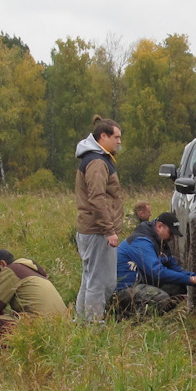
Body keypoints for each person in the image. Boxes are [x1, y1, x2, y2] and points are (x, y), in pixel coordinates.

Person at [73, 117, 125, 321]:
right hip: (97, 230)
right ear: (103, 136)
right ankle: (94, 325)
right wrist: (109, 230)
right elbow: (97, 198)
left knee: (90, 278)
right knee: (100, 281)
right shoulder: (96, 162)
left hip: (93, 229)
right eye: (116, 137)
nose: (119, 142)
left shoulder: (98, 158)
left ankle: (82, 321)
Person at [113, 210, 196, 317]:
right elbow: (156, 271)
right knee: (160, 299)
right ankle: (134, 320)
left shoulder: (160, 242)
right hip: (125, 289)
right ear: (160, 226)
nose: (172, 238)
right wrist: (191, 280)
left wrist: (194, 277)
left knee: (180, 288)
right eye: (171, 233)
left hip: (142, 284)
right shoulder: (141, 241)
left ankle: (151, 315)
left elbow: (174, 267)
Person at [0, 249, 68, 334]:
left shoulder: (11, 271)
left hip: (42, 328)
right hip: (62, 328)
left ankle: (11, 348)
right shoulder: (32, 271)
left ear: (2, 264)